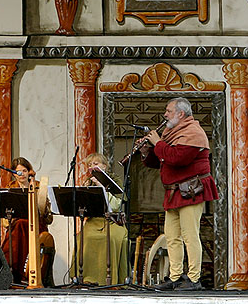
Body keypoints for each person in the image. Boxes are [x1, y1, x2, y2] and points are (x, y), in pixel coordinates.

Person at [139, 97, 218, 291]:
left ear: (181, 114)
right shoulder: (171, 133)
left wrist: (157, 142)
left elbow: (176, 158)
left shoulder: (194, 133)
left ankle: (194, 279)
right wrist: (145, 150)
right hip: (174, 192)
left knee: (190, 236)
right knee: (172, 236)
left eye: (168, 111)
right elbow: (159, 161)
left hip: (191, 191)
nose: (165, 115)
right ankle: (175, 277)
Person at [70, 153, 128, 285]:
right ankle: (85, 279)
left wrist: (101, 187)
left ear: (105, 166)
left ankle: (109, 280)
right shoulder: (88, 181)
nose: (92, 167)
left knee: (112, 239)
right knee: (83, 238)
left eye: (96, 164)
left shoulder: (114, 181)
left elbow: (115, 206)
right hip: (93, 221)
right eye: (89, 165)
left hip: (112, 222)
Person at [1, 156, 54, 284]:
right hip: (17, 226)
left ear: (29, 171)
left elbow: (48, 218)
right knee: (18, 227)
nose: (21, 174)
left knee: (21, 226)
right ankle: (12, 273)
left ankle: (27, 275)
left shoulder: (39, 186)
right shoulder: (10, 187)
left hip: (37, 225)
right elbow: (4, 221)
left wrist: (43, 208)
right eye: (18, 172)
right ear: (14, 174)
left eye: (24, 171)